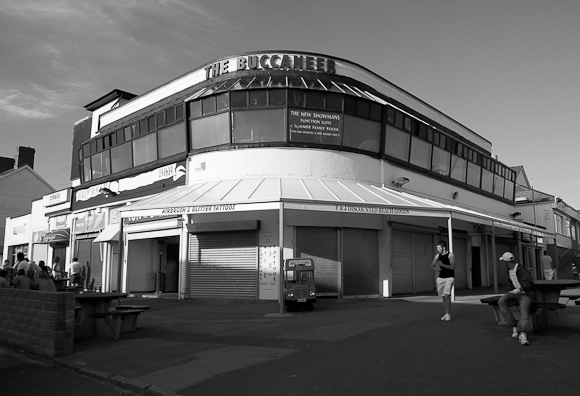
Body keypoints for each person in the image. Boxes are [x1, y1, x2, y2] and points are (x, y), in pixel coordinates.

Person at [498, 252, 535, 346]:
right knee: (501, 301)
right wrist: (510, 291)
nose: (504, 264)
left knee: (524, 311)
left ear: (506, 262)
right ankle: (514, 325)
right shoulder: (508, 271)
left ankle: (522, 333)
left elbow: (528, 282)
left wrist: (519, 290)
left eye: (504, 261)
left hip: (525, 294)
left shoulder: (522, 270)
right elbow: (509, 284)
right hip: (514, 294)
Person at [430, 240, 455, 321]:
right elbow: (432, 265)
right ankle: (446, 313)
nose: (437, 249)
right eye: (437, 248)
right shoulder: (437, 256)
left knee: (447, 295)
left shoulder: (451, 255)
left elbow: (452, 267)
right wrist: (436, 268)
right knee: (443, 296)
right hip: (440, 278)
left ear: (443, 247)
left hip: (449, 278)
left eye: (439, 248)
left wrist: (442, 265)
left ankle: (448, 314)